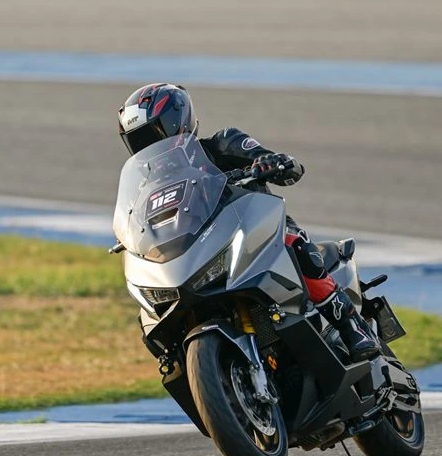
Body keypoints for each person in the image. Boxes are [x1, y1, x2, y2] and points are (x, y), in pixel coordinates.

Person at [117, 83, 379, 362]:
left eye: (153, 135)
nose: (150, 145)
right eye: (139, 140)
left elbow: (282, 164)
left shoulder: (222, 144)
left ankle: (352, 326)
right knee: (148, 314)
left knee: (296, 244)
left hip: (254, 229)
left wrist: (271, 162)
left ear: (177, 123)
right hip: (201, 251)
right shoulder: (147, 188)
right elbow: (136, 218)